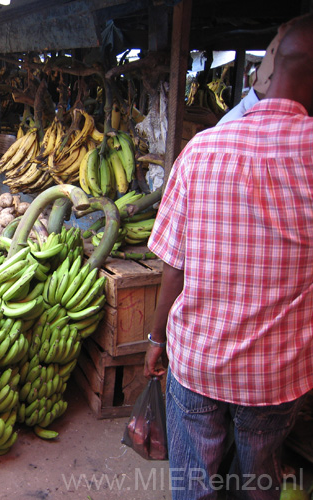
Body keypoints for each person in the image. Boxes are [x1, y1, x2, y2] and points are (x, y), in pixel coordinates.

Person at [146, 14, 313, 500]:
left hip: (199, 362)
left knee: (194, 483)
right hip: (278, 374)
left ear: (269, 67)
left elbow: (172, 265)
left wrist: (156, 338)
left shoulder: (202, 150)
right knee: (258, 482)